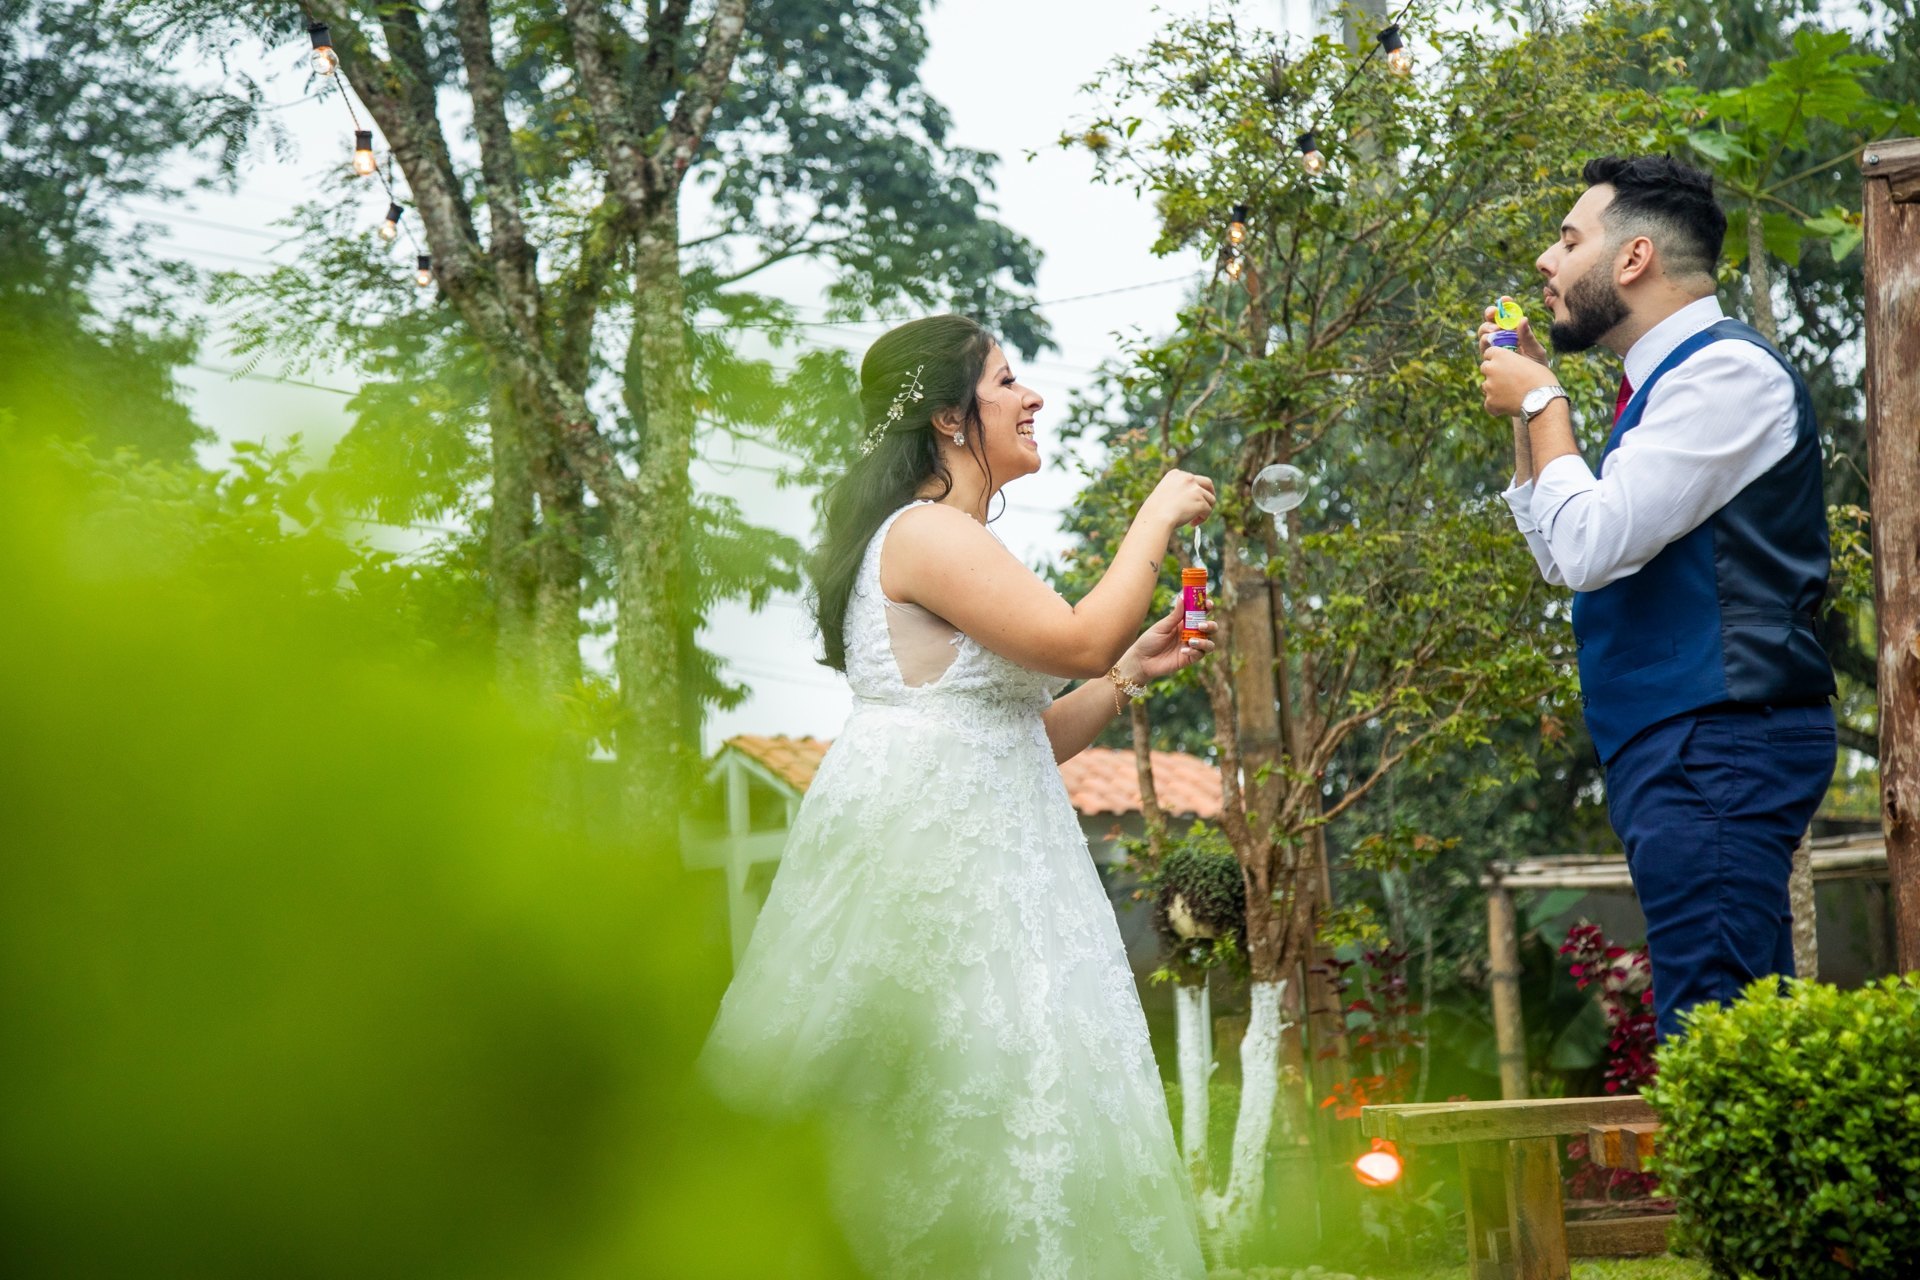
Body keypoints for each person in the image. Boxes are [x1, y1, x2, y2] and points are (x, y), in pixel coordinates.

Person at [701, 314, 1214, 1277]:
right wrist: (1152, 518)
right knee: (939, 1100)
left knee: (1021, 1108)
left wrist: (1128, 678)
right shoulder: (928, 532)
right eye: (1008, 382)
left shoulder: (946, 536)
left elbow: (1016, 737)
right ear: (947, 417)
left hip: (998, 859)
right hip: (931, 873)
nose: (1034, 398)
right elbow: (1074, 640)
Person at [1479, 154, 1837, 1041]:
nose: (1545, 264)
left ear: (1633, 258)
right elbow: (1566, 555)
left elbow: (1593, 544)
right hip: (1683, 740)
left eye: (1568, 240)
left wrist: (1544, 403)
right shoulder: (1666, 388)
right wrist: (1533, 425)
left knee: (1712, 1021)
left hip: (1719, 734)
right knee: (1726, 1012)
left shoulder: (1726, 376)